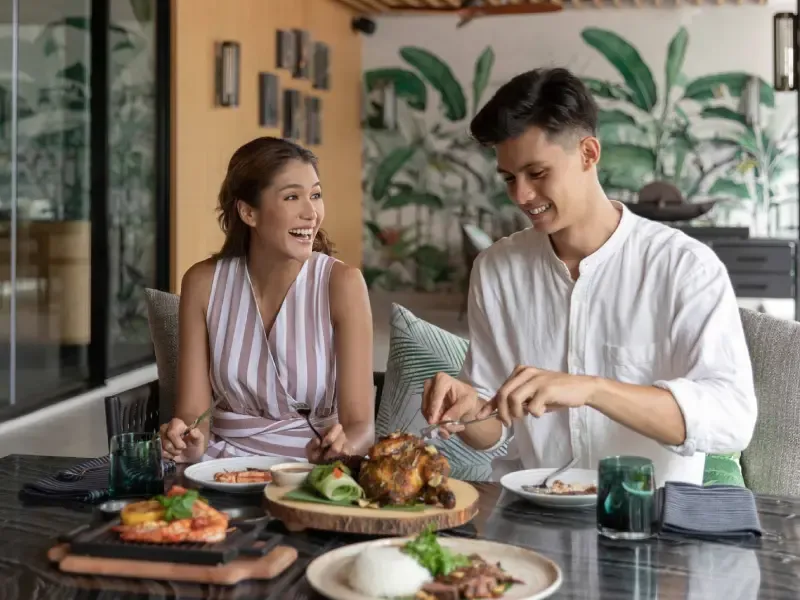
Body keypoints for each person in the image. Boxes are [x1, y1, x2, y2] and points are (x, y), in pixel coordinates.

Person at [421, 68, 757, 485]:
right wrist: (470, 409)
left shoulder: (684, 267)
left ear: (588, 153)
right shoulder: (496, 270)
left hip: (648, 512)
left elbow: (732, 418)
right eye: (509, 178)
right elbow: (494, 428)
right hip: (531, 508)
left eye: (537, 173)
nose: (521, 195)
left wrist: (592, 389)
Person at [160, 137, 375, 464]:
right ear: (248, 212)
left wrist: (341, 448)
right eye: (292, 197)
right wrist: (187, 441)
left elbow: (361, 427)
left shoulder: (342, 284)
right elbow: (193, 414)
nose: (311, 213)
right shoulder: (202, 284)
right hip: (221, 466)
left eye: (316, 195)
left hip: (312, 470)